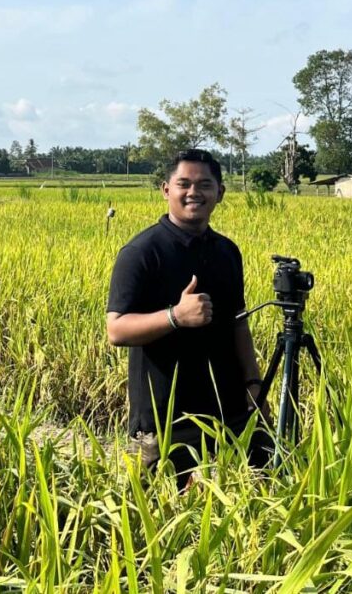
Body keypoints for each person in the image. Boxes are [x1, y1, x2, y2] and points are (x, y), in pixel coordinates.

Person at [106, 149, 272, 485]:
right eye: (183, 184)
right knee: (155, 512)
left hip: (229, 411)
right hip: (165, 419)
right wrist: (175, 317)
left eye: (204, 185)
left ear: (220, 193)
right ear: (166, 189)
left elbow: (238, 322)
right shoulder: (141, 252)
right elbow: (117, 330)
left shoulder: (227, 251)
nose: (193, 192)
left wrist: (254, 384)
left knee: (249, 500)